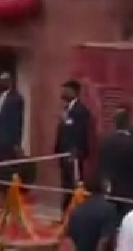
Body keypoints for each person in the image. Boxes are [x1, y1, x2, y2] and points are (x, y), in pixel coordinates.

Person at [97, 108, 133, 214]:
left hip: (111, 190)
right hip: (130, 192)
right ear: (128, 123)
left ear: (114, 123)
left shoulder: (105, 142)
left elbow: (101, 165)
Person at [55, 79, 95, 210]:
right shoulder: (66, 109)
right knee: (66, 185)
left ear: (74, 92)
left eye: (66, 89)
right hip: (64, 154)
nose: (63, 92)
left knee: (74, 185)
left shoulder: (81, 111)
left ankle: (73, 213)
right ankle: (65, 213)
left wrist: (76, 152)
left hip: (74, 156)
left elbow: (80, 133)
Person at [64, 175, 121, 251]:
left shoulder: (77, 210)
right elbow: (105, 240)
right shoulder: (109, 209)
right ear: (104, 188)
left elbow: (69, 242)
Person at [0, 72, 26, 164]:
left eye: (3, 80)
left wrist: (16, 142)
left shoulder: (16, 98)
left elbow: (17, 121)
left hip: (8, 139)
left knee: (7, 162)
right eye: (0, 80)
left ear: (10, 81)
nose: (0, 83)